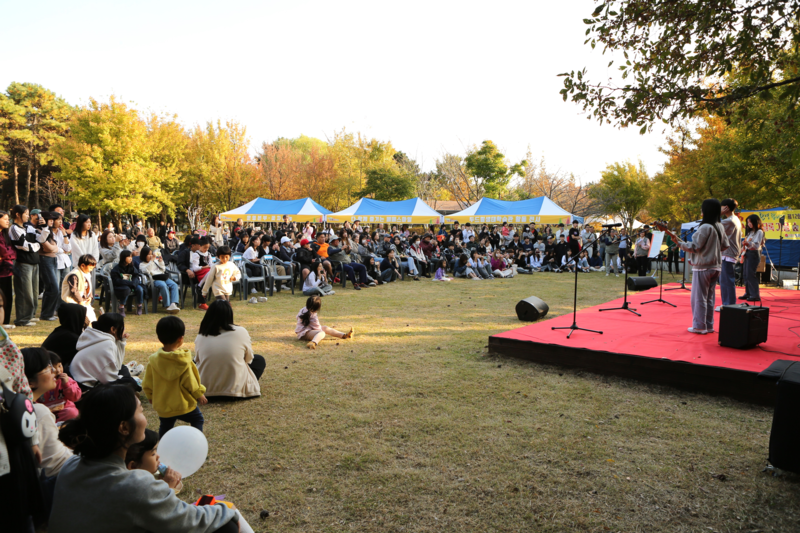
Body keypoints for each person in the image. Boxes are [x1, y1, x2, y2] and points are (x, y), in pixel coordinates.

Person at [51, 384, 239, 533]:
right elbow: (190, 521)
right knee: (227, 526)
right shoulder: (135, 485)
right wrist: (229, 511)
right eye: (141, 411)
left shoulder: (71, 466)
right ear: (124, 428)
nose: (145, 418)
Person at [142, 316, 207, 437]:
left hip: (164, 406)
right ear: (180, 339)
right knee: (197, 419)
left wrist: (150, 395)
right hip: (184, 405)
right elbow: (191, 382)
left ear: (159, 337)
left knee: (165, 426)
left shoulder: (153, 361)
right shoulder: (184, 361)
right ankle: (197, 442)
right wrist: (199, 394)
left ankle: (162, 449)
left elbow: (147, 383)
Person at [676, 199, 729, 334]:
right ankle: (709, 325)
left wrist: (680, 244)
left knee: (699, 297)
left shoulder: (705, 227)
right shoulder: (719, 226)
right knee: (710, 298)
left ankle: (699, 326)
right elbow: (725, 245)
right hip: (716, 266)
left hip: (703, 267)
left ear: (705, 211)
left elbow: (694, 246)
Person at [194, 300, 264, 400]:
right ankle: (240, 383)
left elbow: (197, 360)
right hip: (235, 392)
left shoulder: (201, 335)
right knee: (259, 360)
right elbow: (249, 359)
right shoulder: (240, 331)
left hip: (206, 392)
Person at [22, 348, 74, 480]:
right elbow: (58, 462)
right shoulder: (37, 411)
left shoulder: (17, 404)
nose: (54, 371)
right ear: (30, 382)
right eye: (48, 368)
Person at [70, 313, 137, 390]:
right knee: (129, 381)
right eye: (122, 327)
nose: (124, 330)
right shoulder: (108, 344)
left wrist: (121, 341)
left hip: (79, 381)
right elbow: (109, 380)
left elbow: (117, 366)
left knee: (123, 369)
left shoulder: (96, 337)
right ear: (113, 329)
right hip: (85, 388)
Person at [10, 205, 43, 327]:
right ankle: (22, 319)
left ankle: (30, 316)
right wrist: (36, 246)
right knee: (25, 292)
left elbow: (40, 239)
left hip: (34, 262)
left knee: (34, 292)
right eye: (26, 213)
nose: (28, 216)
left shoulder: (27, 227)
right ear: (18, 214)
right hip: (23, 264)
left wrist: (36, 243)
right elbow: (24, 246)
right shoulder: (14, 228)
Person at [125, 428, 182, 493]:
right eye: (153, 454)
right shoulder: (134, 489)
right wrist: (166, 488)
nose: (158, 456)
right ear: (133, 466)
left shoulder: (154, 474)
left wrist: (167, 481)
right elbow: (160, 501)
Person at [37, 352, 81, 424]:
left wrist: (66, 385)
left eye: (60, 366)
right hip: (45, 412)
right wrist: (48, 410)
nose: (58, 370)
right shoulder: (41, 383)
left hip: (64, 410)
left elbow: (76, 397)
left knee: (72, 413)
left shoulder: (67, 380)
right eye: (53, 368)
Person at [42, 303, 87, 370]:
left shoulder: (62, 331)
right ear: (76, 317)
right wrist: (86, 328)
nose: (86, 318)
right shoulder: (71, 338)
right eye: (84, 316)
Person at [139, 247, 180, 314]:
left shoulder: (155, 261)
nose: (151, 256)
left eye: (151, 254)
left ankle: (173, 304)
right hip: (154, 279)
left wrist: (161, 262)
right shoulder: (142, 264)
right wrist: (151, 261)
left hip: (162, 277)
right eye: (149, 254)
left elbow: (163, 270)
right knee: (163, 285)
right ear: (144, 255)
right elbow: (147, 271)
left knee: (174, 285)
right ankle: (167, 305)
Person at [61, 254, 98, 323]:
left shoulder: (86, 273)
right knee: (81, 321)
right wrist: (80, 301)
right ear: (83, 265)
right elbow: (74, 290)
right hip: (74, 302)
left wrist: (90, 296)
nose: (91, 270)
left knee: (92, 319)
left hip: (84, 301)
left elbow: (89, 285)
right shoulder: (74, 275)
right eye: (90, 268)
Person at [111, 250, 145, 316]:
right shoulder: (116, 269)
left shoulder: (132, 267)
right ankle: (121, 307)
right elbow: (116, 280)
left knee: (140, 289)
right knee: (126, 290)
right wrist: (128, 283)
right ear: (123, 258)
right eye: (128, 257)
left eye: (131, 256)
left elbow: (136, 276)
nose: (130, 258)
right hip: (121, 285)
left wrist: (134, 283)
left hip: (132, 284)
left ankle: (139, 306)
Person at [740, 214, 764, 303]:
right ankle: (748, 293)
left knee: (751, 274)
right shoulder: (750, 232)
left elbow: (756, 245)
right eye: (747, 222)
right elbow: (749, 243)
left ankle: (755, 295)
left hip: (753, 253)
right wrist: (745, 244)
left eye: (750, 222)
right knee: (746, 274)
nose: (748, 224)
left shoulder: (759, 232)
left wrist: (748, 244)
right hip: (747, 253)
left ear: (755, 222)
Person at [0, 210, 16, 329]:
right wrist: (8, 254)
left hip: (7, 269)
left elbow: (11, 251)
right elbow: (5, 251)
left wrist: (9, 255)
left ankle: (5, 321)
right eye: (5, 219)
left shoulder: (5, 234)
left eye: (8, 219)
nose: (8, 222)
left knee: (8, 295)